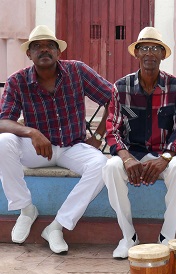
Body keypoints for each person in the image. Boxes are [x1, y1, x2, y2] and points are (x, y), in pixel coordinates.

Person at [0, 25, 112, 254]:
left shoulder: (77, 71)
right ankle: (25, 208)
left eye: (49, 45)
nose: (44, 50)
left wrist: (99, 137)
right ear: (29, 54)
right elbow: (3, 122)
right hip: (38, 149)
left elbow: (114, 100)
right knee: (3, 142)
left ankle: (57, 226)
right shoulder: (17, 81)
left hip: (73, 146)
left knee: (101, 165)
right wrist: (32, 132)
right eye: (37, 46)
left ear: (58, 52)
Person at [102, 27, 176, 258]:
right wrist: (125, 157)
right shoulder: (121, 87)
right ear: (137, 54)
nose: (149, 53)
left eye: (155, 48)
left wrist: (166, 158)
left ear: (162, 54)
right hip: (131, 154)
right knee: (111, 168)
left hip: (162, 154)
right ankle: (128, 236)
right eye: (144, 48)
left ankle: (167, 237)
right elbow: (112, 127)